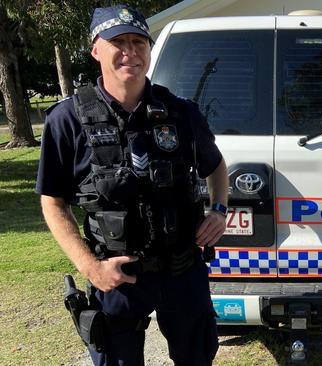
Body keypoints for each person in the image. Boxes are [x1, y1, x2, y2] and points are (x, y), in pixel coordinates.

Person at [36, 4, 228, 365]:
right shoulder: (68, 120)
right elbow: (52, 202)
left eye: (139, 42)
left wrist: (219, 211)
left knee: (197, 358)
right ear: (95, 50)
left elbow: (216, 167)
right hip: (117, 274)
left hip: (182, 269)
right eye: (118, 42)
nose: (130, 52)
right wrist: (90, 267)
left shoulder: (181, 112)